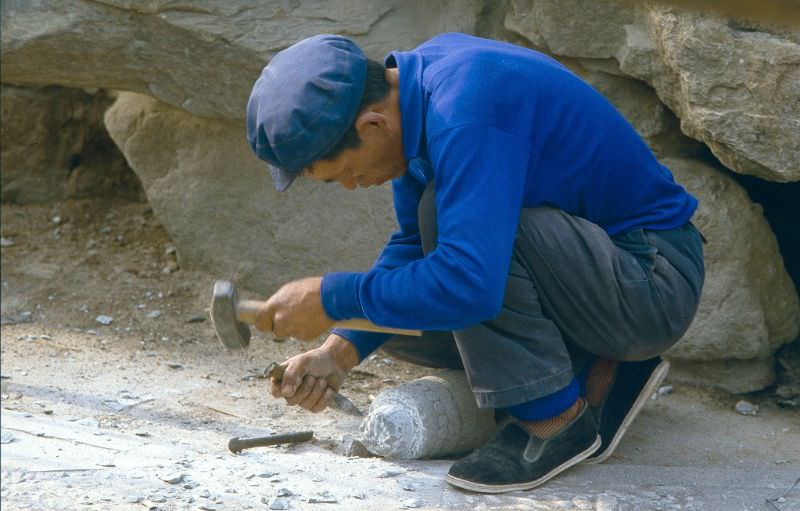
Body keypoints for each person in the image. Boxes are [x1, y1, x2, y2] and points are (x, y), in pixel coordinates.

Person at [245, 33, 705, 493]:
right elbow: (412, 247)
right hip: (588, 279)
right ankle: (595, 368)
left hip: (650, 281)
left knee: (452, 255)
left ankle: (555, 419)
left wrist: (330, 296)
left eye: (345, 173)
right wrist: (338, 351)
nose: (350, 186)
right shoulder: (412, 98)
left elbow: (468, 282)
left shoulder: (465, 109)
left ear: (372, 125)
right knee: (404, 308)